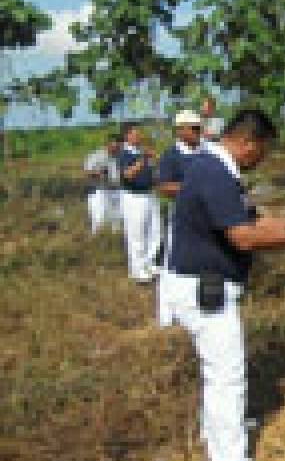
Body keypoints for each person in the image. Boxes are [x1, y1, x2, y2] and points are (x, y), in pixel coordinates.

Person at [160, 109, 285, 461]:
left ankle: (219, 433)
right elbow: (243, 236)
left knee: (217, 373)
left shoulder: (212, 168)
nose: (264, 159)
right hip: (205, 289)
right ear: (247, 143)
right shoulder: (215, 174)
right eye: (264, 150)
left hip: (198, 284)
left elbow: (254, 220)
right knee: (226, 376)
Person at [155, 110, 207, 326]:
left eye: (199, 128)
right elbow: (164, 187)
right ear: (181, 130)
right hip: (182, 214)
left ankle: (196, 306)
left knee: (202, 260)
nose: (198, 132)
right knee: (172, 260)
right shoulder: (171, 155)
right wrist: (193, 188)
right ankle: (166, 313)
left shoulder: (206, 151)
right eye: (194, 128)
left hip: (205, 215)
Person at [116, 123, 162, 283]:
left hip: (149, 195)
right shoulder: (124, 154)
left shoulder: (141, 153)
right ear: (127, 136)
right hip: (133, 197)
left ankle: (149, 263)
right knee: (137, 233)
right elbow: (127, 175)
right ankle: (137, 270)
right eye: (135, 133)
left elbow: (153, 171)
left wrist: (153, 158)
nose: (139, 136)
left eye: (139, 133)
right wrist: (142, 159)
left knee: (154, 231)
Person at [84, 135, 122, 234]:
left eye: (118, 147)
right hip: (97, 191)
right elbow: (87, 171)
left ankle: (112, 242)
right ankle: (97, 242)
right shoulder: (96, 156)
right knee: (99, 219)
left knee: (116, 220)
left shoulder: (118, 157)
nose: (115, 149)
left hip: (115, 190)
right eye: (114, 146)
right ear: (107, 144)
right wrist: (98, 173)